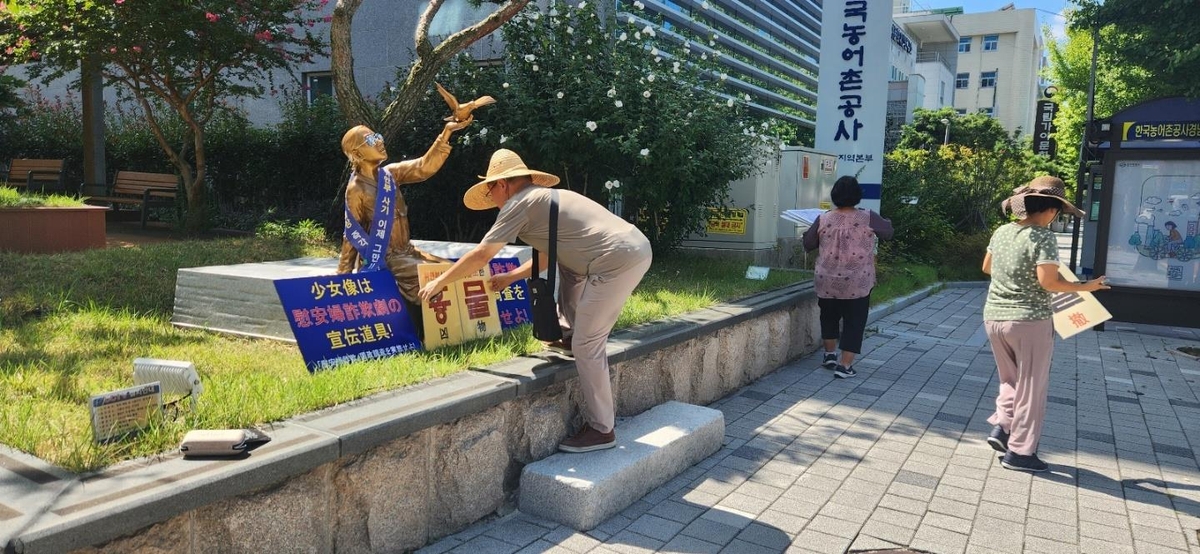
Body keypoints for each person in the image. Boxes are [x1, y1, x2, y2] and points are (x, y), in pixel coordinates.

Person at [417, 149, 652, 453]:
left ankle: (602, 429)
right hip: (629, 248)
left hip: (615, 261)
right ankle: (567, 335)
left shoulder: (519, 203)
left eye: (491, 190)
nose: (493, 199)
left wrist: (440, 281)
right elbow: (550, 252)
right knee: (570, 269)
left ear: (503, 184)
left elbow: (482, 253)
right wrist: (510, 277)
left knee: (589, 344)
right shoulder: (548, 199)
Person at [982, 176, 1109, 472]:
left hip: (994, 317)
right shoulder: (1043, 237)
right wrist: (1086, 286)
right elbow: (1048, 281)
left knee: (1009, 380)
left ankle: (1002, 428)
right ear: (1051, 210)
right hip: (1029, 321)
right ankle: (1021, 453)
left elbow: (987, 267)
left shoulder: (1002, 231)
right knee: (1031, 387)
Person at [337, 120, 472, 321]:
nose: (379, 141)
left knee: (453, 269)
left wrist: (446, 132)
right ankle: (434, 328)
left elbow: (423, 166)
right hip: (385, 259)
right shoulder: (356, 189)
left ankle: (450, 328)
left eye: (378, 136)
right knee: (442, 274)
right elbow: (352, 233)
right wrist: (343, 274)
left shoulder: (390, 175)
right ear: (357, 154)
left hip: (407, 252)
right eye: (371, 139)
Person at [802, 175, 894, 379]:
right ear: (857, 196)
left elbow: (808, 244)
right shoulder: (868, 217)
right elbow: (888, 232)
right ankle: (844, 366)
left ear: (834, 195)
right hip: (857, 280)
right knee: (854, 321)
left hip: (826, 279)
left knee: (828, 316)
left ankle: (829, 355)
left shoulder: (823, 218)